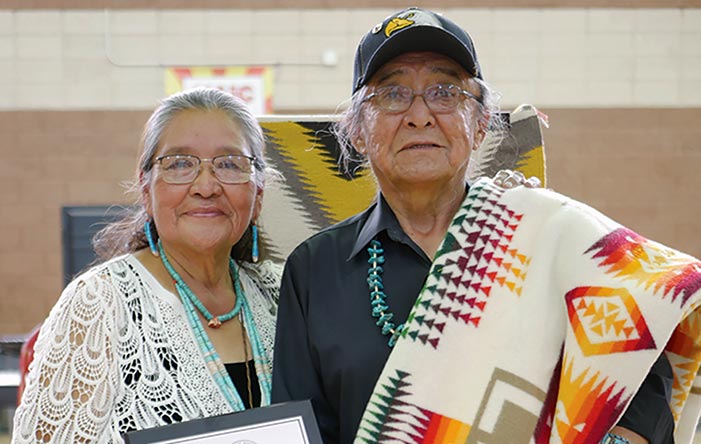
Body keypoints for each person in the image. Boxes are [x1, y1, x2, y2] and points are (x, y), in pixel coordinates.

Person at [271, 7, 700, 444]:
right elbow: (303, 429)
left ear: (480, 124)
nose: (420, 115)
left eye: (445, 92)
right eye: (393, 94)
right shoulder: (315, 269)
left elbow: (641, 375)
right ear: (358, 130)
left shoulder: (554, 238)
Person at [12, 87, 281, 443]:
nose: (205, 186)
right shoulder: (99, 304)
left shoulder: (282, 293)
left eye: (229, 164)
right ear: (146, 189)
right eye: (180, 164)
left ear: (258, 193)